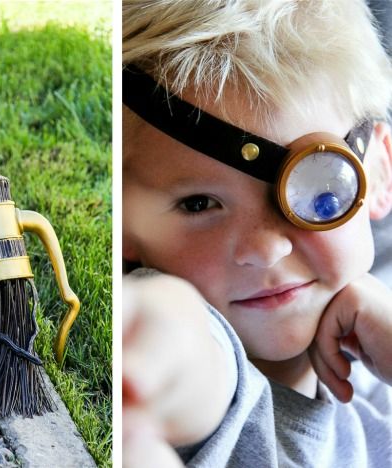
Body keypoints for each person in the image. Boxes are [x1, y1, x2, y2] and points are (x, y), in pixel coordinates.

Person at [122, 0, 392, 466]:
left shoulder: (375, 366)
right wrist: (145, 365)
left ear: (381, 173)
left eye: (318, 185)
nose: (266, 249)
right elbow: (182, 336)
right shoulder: (205, 346)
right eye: (198, 203)